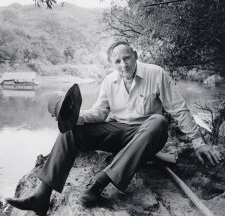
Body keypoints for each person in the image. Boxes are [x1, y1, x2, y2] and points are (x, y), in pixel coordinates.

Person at [5, 41, 221, 215]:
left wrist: (198, 142)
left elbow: (178, 109)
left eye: (127, 58)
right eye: (117, 61)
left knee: (159, 121)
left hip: (147, 134)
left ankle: (99, 184)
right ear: (112, 64)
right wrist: (75, 117)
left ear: (135, 55)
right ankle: (42, 196)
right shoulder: (109, 81)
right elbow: (100, 112)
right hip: (118, 131)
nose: (123, 65)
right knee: (72, 130)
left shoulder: (156, 74)